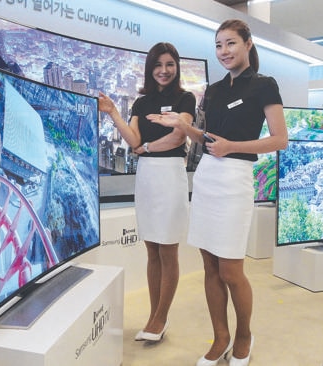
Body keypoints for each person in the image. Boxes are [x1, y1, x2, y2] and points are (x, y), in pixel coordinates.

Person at [147, 19, 288, 366]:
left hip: (236, 178)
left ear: (248, 44)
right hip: (208, 178)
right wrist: (185, 127)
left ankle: (243, 335)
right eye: (219, 46)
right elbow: (207, 140)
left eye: (231, 44)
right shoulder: (213, 89)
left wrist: (232, 146)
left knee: (231, 269)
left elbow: (279, 139)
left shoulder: (265, 85)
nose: (224, 52)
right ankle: (220, 336)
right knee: (209, 265)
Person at [98, 42, 196, 342]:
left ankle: (160, 317)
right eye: (158, 65)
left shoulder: (185, 98)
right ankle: (155, 317)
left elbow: (180, 135)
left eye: (169, 64)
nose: (164, 71)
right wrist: (114, 112)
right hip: (147, 178)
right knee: (152, 249)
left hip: (170, 174)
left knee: (168, 248)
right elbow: (133, 139)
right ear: (150, 68)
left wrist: (148, 148)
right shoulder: (141, 103)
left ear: (176, 66)